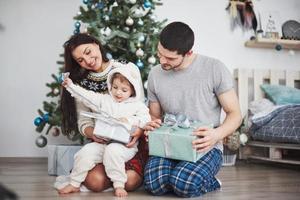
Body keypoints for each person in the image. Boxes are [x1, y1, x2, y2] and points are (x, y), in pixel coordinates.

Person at [143, 22, 242, 197]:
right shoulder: (155, 74)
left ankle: (208, 181)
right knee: (153, 184)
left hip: (204, 145)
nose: (162, 61)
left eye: (170, 58)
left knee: (183, 184)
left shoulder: (214, 68)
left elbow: (235, 114)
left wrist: (216, 135)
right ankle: (181, 174)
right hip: (170, 144)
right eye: (160, 54)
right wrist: (151, 126)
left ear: (188, 52)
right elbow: (154, 116)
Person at [60, 33, 148, 195]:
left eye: (87, 52)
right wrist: (93, 134)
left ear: (95, 43)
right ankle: (79, 181)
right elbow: (84, 122)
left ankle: (118, 180)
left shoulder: (127, 69)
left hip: (127, 142)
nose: (88, 61)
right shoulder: (87, 86)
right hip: (102, 142)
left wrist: (138, 129)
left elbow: (140, 108)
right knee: (95, 180)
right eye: (80, 60)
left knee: (128, 179)